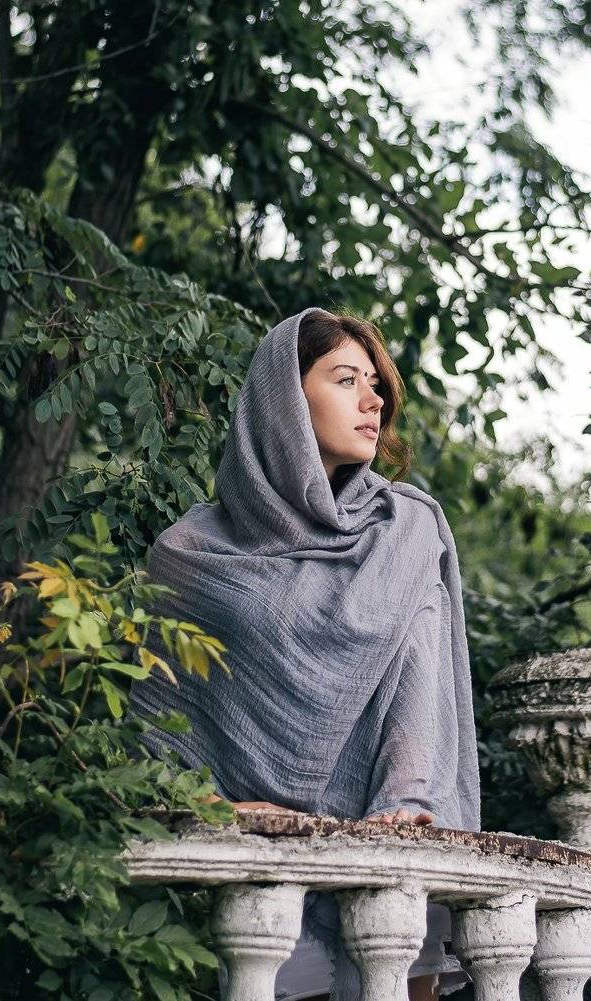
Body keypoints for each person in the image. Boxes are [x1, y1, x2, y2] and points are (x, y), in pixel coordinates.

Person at [131, 307, 482, 1001]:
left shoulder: (402, 529)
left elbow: (420, 689)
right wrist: (215, 807)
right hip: (249, 874)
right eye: (346, 379)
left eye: (375, 384)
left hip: (383, 857)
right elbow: (152, 732)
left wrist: (403, 805)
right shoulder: (187, 554)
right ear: (285, 400)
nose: (373, 400)